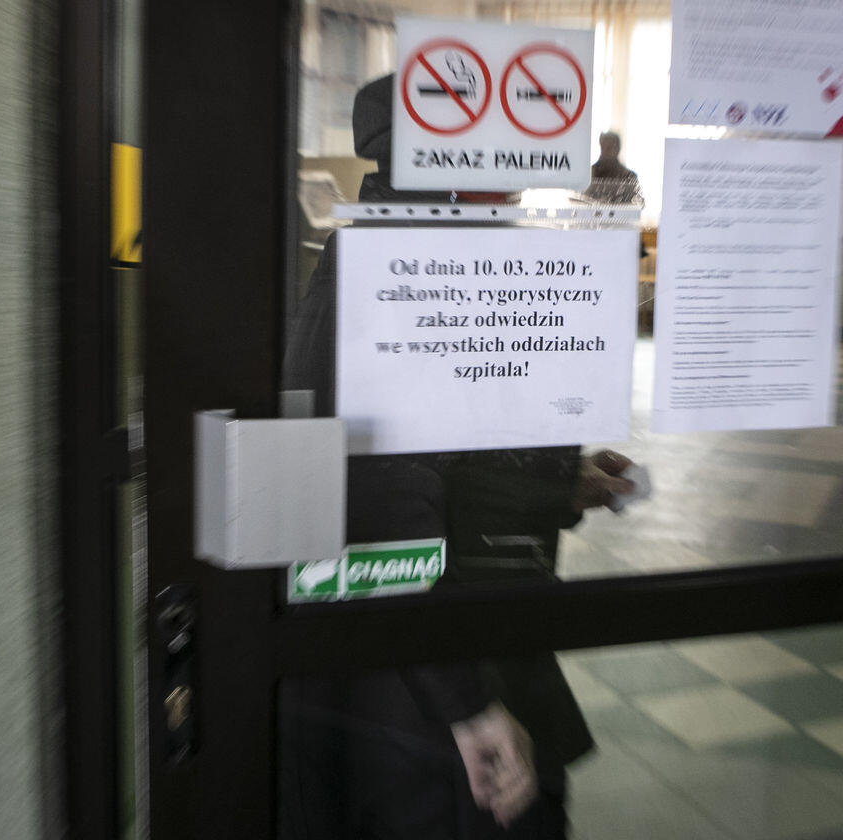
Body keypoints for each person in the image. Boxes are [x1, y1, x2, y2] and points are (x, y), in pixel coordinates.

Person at [280, 74, 635, 840]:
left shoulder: (413, 254)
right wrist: (469, 708)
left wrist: (560, 487)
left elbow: (446, 461)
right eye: (503, 156)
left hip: (454, 659)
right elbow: (384, 515)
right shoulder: (404, 274)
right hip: (423, 699)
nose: (520, 185)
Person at [584, 130, 643, 207]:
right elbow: (580, 201)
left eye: (610, 147)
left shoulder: (629, 176)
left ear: (618, 148)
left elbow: (638, 204)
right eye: (604, 146)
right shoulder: (590, 173)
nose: (606, 150)